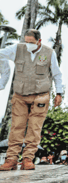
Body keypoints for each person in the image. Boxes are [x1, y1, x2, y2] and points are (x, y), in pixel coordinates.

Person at [0, 29, 63, 171]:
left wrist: (59, 92)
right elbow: (0, 54)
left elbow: (57, 74)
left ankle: (28, 159)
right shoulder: (17, 48)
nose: (28, 45)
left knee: (34, 128)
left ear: (39, 41)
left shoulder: (49, 53)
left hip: (41, 95)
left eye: (31, 42)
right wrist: (3, 79)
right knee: (17, 127)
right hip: (20, 95)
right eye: (26, 41)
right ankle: (11, 159)